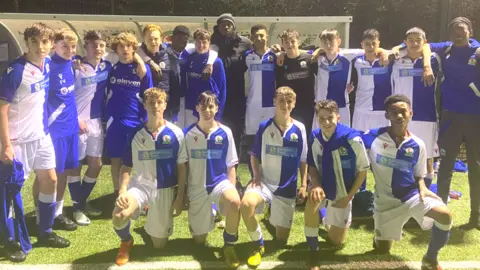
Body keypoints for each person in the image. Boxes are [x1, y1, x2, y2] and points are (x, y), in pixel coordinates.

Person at [0, 23, 70, 261]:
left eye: (45, 42)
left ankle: (45, 231)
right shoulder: (16, 71)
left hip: (41, 136)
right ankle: (9, 240)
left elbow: (68, 58)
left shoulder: (48, 64)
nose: (40, 47)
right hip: (18, 141)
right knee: (11, 192)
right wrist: (6, 145)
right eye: (35, 42)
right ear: (27, 43)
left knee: (50, 179)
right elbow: (1, 108)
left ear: (50, 44)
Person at [363, 94, 452, 270]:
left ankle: (430, 258)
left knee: (445, 215)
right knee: (382, 249)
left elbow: (420, 174)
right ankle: (379, 237)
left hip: (411, 196)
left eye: (403, 112)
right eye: (394, 112)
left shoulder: (418, 144)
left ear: (410, 113)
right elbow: (350, 138)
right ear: (387, 115)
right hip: (384, 203)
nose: (399, 116)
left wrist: (423, 187)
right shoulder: (372, 137)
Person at [112, 87, 187, 266]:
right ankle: (126, 240)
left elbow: (182, 168)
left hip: (165, 189)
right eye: (151, 102)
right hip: (141, 186)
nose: (155, 106)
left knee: (159, 245)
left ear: (165, 105)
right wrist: (122, 189)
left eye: (159, 102)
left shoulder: (176, 133)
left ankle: (151, 223)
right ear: (144, 105)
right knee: (118, 214)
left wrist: (180, 197)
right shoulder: (135, 133)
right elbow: (126, 165)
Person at [240, 86, 308, 268]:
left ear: (293, 104)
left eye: (288, 101)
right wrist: (256, 175)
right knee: (246, 205)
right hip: (265, 183)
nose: (284, 105)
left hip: (287, 188)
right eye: (281, 101)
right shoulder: (264, 127)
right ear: (274, 103)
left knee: (281, 240)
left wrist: (303, 185)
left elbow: (303, 159)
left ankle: (271, 215)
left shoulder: (300, 129)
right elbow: (254, 154)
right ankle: (258, 243)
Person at [427, 17, 480, 230]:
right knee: (446, 166)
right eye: (455, 30)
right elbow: (421, 43)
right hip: (450, 118)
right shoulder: (445, 49)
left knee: (475, 168)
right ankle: (441, 214)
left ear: (470, 32)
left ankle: (475, 217)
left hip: (475, 119)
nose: (459, 33)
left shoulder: (477, 51)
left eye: (462, 30)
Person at [304, 100, 369, 270]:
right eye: (321, 119)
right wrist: (316, 185)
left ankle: (324, 215)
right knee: (312, 200)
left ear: (338, 117)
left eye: (330, 118)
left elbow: (363, 171)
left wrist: (348, 197)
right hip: (323, 185)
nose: (326, 123)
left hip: (343, 191)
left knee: (337, 241)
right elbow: (311, 164)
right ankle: (313, 249)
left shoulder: (352, 138)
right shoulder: (315, 137)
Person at [184, 91, 241, 268]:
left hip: (219, 183)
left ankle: (229, 246)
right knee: (199, 241)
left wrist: (231, 193)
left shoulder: (225, 132)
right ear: (196, 108)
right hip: (196, 188)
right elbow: (183, 166)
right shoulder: (187, 134)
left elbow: (231, 165)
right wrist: (183, 193)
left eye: (211, 106)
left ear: (216, 108)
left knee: (234, 202)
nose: (207, 110)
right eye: (203, 106)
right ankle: (212, 212)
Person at [69, 30, 112, 225]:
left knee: (96, 164)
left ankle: (81, 202)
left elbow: (131, 52)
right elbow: (65, 96)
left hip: (96, 121)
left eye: (101, 45)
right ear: (85, 47)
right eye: (94, 45)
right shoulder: (75, 67)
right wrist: (74, 119)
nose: (98, 49)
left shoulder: (106, 66)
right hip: (78, 121)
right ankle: (77, 208)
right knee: (75, 165)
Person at [137, 24, 217, 126]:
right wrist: (150, 62)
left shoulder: (189, 51)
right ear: (171, 39)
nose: (181, 43)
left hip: (184, 99)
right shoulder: (165, 49)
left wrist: (210, 63)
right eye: (178, 39)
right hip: (164, 100)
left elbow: (212, 51)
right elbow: (137, 49)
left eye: (184, 40)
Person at [391, 27, 441, 188]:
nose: (414, 43)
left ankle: (426, 187)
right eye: (410, 40)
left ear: (424, 42)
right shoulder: (397, 59)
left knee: (427, 155)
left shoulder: (434, 59)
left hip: (426, 114)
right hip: (402, 116)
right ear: (405, 43)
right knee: (403, 150)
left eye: (418, 40)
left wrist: (426, 64)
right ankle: (404, 187)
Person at [105, 32, 153, 199]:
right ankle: (117, 193)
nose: (125, 49)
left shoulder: (142, 69)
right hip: (115, 121)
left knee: (140, 160)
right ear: (116, 50)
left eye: (129, 46)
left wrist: (148, 120)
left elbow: (149, 95)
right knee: (116, 159)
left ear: (134, 49)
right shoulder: (111, 69)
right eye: (121, 46)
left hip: (137, 122)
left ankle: (142, 194)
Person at [45, 28, 80, 231]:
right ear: (54, 46)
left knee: (65, 172)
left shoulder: (71, 64)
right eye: (64, 46)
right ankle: (44, 214)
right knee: (49, 175)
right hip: (54, 131)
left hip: (71, 129)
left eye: (72, 46)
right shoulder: (47, 66)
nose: (69, 50)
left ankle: (57, 213)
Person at [210, 13, 253, 149]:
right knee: (216, 129)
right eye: (223, 24)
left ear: (234, 27)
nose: (226, 27)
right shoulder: (211, 43)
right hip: (217, 94)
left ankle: (234, 163)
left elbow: (259, 53)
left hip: (237, 95)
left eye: (229, 24)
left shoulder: (245, 43)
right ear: (218, 27)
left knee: (236, 130)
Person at [242, 24, 277, 160]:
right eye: (255, 36)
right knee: (253, 143)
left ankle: (269, 176)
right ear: (251, 38)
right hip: (253, 105)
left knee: (271, 140)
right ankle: (254, 177)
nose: (259, 38)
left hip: (270, 105)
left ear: (267, 37)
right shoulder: (247, 56)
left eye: (262, 35)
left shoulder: (275, 55)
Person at [276, 29, 317, 136]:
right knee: (289, 135)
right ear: (282, 44)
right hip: (288, 106)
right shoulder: (280, 61)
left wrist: (320, 50)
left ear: (298, 42)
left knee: (306, 136)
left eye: (292, 41)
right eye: (286, 42)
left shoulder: (310, 59)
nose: (290, 45)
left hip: (306, 106)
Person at [181, 29, 226, 127]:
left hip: (208, 109)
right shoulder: (190, 58)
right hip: (191, 107)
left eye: (204, 42)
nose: (201, 45)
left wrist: (218, 114)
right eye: (198, 42)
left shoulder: (216, 63)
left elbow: (222, 89)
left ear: (209, 43)